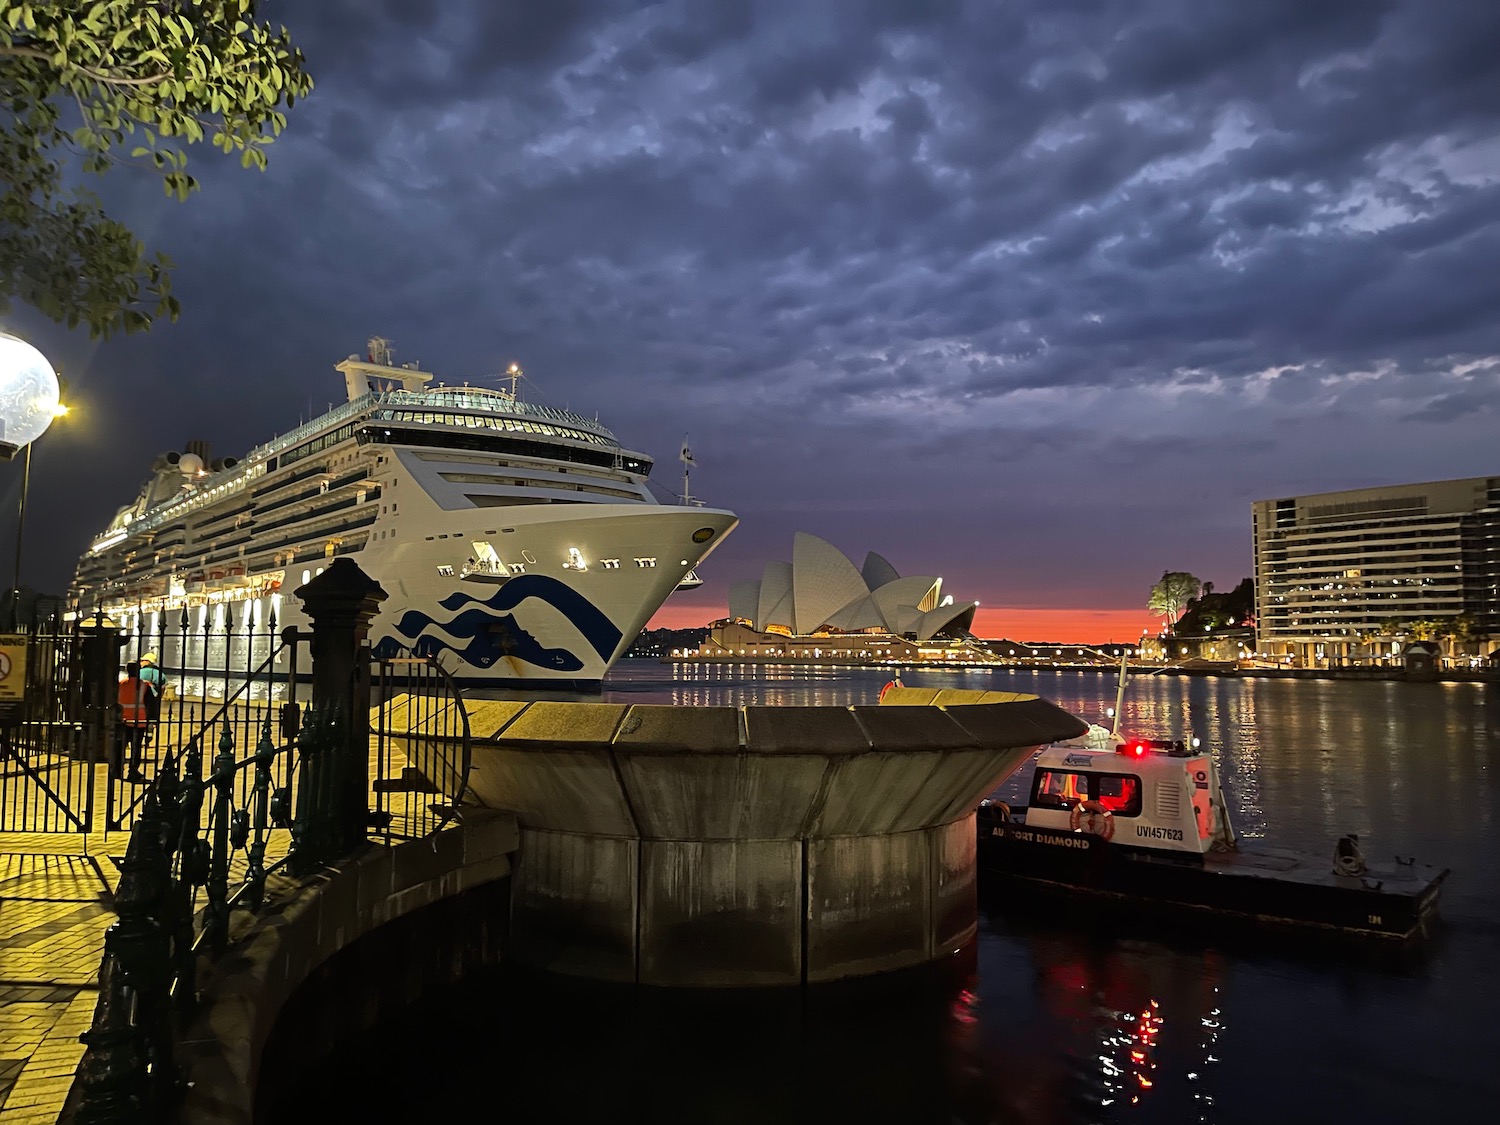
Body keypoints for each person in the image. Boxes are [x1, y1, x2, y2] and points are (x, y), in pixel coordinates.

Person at [117, 661, 151, 782]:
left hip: (122, 720)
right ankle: (133, 771)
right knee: (136, 749)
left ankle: (116, 770)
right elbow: (150, 703)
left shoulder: (120, 684)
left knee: (120, 747)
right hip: (139, 720)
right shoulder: (144, 685)